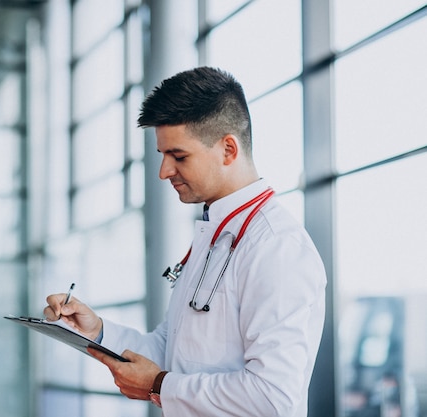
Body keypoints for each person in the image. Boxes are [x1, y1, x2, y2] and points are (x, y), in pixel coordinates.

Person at [44, 66, 326, 417]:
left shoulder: (276, 248)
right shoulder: (213, 235)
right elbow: (173, 352)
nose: (164, 171)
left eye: (179, 156)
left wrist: (160, 385)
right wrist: (98, 331)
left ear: (228, 149)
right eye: (163, 155)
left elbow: (272, 396)